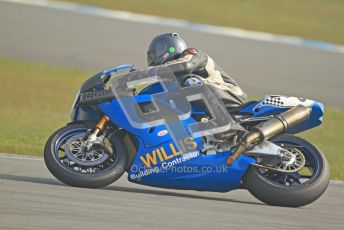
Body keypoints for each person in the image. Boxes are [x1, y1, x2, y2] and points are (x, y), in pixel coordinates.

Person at [146, 33, 248, 111]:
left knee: (190, 82)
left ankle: (231, 125)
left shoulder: (193, 54)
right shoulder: (173, 78)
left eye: (153, 54)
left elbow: (186, 64)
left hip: (233, 98)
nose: (152, 59)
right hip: (211, 109)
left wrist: (149, 72)